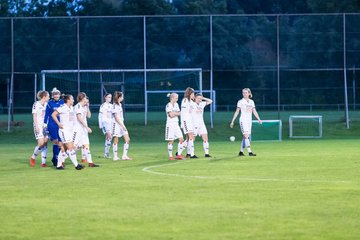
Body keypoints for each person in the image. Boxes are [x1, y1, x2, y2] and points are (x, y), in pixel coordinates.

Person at [52, 94, 84, 170]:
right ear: (68, 100)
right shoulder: (63, 107)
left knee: (65, 148)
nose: (73, 100)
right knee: (70, 148)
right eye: (72, 99)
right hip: (64, 131)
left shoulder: (72, 108)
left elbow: (71, 119)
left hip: (69, 131)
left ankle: (59, 165)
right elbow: (53, 115)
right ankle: (77, 165)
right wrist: (59, 124)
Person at [230, 88, 262, 156]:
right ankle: (250, 152)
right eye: (243, 93)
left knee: (245, 137)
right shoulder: (240, 101)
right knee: (246, 136)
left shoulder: (251, 102)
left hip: (249, 121)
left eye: (246, 92)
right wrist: (232, 121)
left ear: (249, 93)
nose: (244, 94)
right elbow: (237, 111)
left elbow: (254, 111)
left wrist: (258, 119)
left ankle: (241, 152)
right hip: (243, 120)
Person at [73, 92, 99, 167]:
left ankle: (90, 162)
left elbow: (89, 116)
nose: (86, 99)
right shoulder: (77, 107)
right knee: (73, 147)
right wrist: (87, 127)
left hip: (83, 129)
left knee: (86, 145)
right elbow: (79, 118)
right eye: (85, 98)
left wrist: (87, 107)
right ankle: (61, 160)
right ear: (82, 98)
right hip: (77, 129)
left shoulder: (84, 107)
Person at [43, 87, 64, 166]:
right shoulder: (49, 103)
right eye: (55, 95)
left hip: (60, 125)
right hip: (52, 125)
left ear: (59, 95)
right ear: (52, 95)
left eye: (57, 94)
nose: (56, 96)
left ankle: (56, 158)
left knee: (61, 142)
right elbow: (47, 114)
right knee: (56, 142)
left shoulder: (62, 102)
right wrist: (45, 125)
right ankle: (56, 159)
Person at [29, 90, 50, 167]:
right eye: (48, 96)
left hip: (45, 126)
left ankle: (43, 163)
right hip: (38, 125)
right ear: (44, 97)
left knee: (45, 142)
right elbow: (34, 116)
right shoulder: (36, 104)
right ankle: (33, 157)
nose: (49, 98)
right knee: (41, 143)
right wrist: (37, 126)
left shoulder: (47, 104)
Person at [112, 91, 132, 161]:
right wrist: (122, 125)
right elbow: (116, 117)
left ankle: (124, 156)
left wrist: (122, 125)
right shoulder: (114, 105)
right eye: (122, 97)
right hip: (116, 124)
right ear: (119, 97)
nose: (123, 98)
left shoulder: (119, 104)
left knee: (127, 139)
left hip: (121, 123)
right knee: (116, 140)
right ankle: (115, 156)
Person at [165, 93, 184, 160]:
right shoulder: (168, 105)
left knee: (181, 139)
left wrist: (175, 113)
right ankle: (170, 156)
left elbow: (180, 113)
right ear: (172, 98)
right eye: (176, 98)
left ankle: (178, 155)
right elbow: (171, 115)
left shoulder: (176, 104)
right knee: (171, 141)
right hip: (170, 124)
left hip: (176, 124)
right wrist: (177, 113)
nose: (177, 99)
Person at [193, 93, 213, 157]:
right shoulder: (192, 104)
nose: (199, 100)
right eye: (198, 98)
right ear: (195, 98)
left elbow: (210, 101)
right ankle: (181, 151)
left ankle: (206, 154)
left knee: (205, 138)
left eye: (200, 99)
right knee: (191, 139)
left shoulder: (202, 104)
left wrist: (203, 98)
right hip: (194, 124)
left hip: (201, 124)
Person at [180, 87, 197, 158]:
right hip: (186, 121)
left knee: (188, 138)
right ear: (190, 94)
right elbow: (183, 112)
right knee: (191, 137)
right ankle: (192, 154)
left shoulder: (192, 102)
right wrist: (183, 123)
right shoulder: (185, 100)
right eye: (193, 94)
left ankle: (185, 153)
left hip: (190, 122)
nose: (194, 95)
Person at [98, 93, 113, 158]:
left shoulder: (112, 106)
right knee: (109, 136)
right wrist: (100, 124)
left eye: (110, 97)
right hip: (105, 123)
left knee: (108, 138)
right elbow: (100, 115)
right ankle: (106, 153)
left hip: (110, 124)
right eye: (109, 97)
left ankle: (106, 153)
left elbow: (113, 115)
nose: (110, 98)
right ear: (105, 98)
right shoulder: (103, 106)